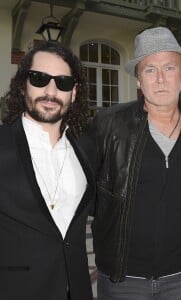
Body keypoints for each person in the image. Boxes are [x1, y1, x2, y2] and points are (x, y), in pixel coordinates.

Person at [89, 26, 181, 300]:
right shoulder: (109, 125)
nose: (160, 79)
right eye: (150, 70)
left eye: (169, 68)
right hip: (123, 280)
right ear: (139, 81)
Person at [0, 41, 95, 300]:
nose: (51, 91)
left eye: (63, 82)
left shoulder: (86, 150)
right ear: (23, 86)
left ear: (74, 93)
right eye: (39, 79)